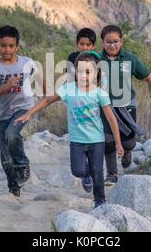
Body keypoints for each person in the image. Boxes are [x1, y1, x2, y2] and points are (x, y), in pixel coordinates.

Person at [15, 51, 123, 209]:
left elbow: (112, 119)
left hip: (96, 140)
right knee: (77, 170)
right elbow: (47, 100)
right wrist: (29, 113)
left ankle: (99, 200)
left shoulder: (99, 93)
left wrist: (118, 143)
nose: (83, 76)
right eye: (80, 71)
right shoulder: (69, 89)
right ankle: (86, 174)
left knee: (98, 172)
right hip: (77, 141)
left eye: (88, 72)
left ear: (96, 72)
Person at [99, 25, 151, 186]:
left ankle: (127, 151)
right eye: (108, 42)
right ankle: (111, 173)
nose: (112, 45)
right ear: (103, 43)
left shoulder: (130, 59)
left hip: (127, 105)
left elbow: (149, 77)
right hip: (105, 106)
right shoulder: (97, 60)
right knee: (107, 140)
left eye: (116, 41)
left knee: (129, 141)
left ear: (121, 41)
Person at [0, 25, 43, 197]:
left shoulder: (26, 63)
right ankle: (14, 188)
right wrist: (8, 85)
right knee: (5, 156)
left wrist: (45, 92)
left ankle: (23, 164)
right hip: (2, 113)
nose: (7, 49)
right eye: (3, 46)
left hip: (23, 108)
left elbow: (39, 77)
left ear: (17, 46)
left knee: (12, 134)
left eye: (11, 46)